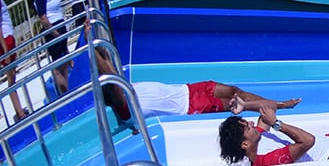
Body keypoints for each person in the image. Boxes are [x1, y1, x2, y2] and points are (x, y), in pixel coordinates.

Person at [93, 49, 301, 121]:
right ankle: (278, 107)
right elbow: (107, 72)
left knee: (234, 90)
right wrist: (90, 52)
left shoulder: (127, 87)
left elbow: (108, 62)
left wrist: (91, 39)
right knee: (237, 103)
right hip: (192, 106)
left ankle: (277, 103)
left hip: (191, 89)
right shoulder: (125, 108)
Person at [32, 0, 69, 94]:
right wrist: (56, 33)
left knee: (64, 64)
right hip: (53, 31)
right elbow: (43, 18)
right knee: (58, 68)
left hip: (60, 26)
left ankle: (68, 92)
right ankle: (64, 95)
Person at [0, 0, 27, 119]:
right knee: (11, 78)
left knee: (13, 76)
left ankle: (19, 110)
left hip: (8, 39)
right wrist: (5, 50)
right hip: (5, 41)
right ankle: (19, 112)